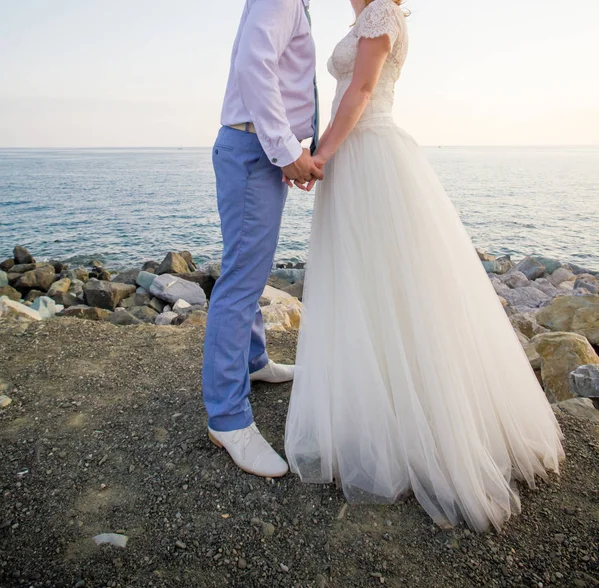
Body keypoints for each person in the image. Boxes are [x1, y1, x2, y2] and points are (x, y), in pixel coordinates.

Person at [285, 0, 565, 532]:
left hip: (371, 157)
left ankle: (422, 423)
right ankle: (378, 405)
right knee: (365, 285)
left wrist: (319, 155)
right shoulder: (364, 17)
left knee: (395, 283)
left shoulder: (382, 16)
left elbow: (363, 92)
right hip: (355, 158)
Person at [203, 0, 322, 478]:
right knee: (240, 283)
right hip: (255, 148)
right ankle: (228, 419)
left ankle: (252, 361)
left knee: (247, 271)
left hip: (253, 149)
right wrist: (286, 148)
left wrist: (288, 147)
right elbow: (255, 64)